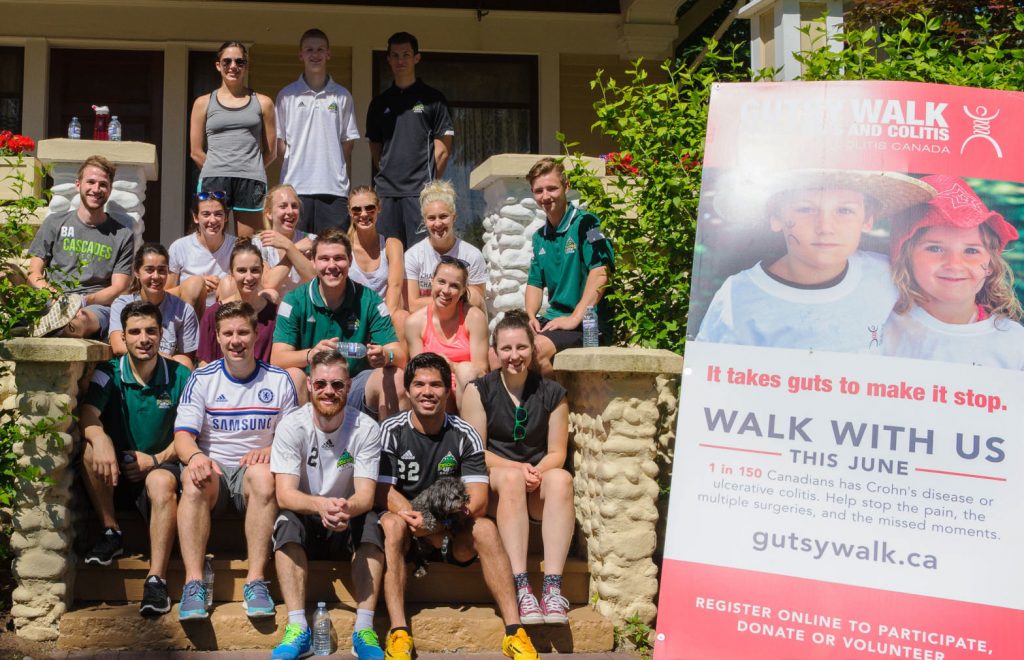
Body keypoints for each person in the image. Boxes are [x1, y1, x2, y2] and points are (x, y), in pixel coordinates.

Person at [375, 353, 539, 660]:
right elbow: (383, 489)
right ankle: (399, 633)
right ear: (408, 390)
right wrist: (416, 519)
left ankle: (514, 632)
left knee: (487, 529)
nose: (428, 392)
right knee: (392, 526)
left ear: (448, 390)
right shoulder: (391, 430)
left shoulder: (465, 434)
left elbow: (477, 499)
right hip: (407, 523)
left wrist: (435, 525)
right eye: (419, 384)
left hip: (448, 527)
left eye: (436, 385)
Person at [696, 168, 935, 354]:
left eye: (844, 211)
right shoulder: (739, 295)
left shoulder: (887, 275)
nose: (825, 228)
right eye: (805, 209)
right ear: (776, 218)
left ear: (867, 220)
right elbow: (717, 377)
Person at [173, 301, 298, 621]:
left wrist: (272, 451)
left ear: (257, 334)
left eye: (243, 332)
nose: (236, 340)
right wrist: (197, 456)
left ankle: (255, 581)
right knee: (192, 476)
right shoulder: (203, 378)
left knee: (263, 475)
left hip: (253, 475)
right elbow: (183, 437)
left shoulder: (279, 380)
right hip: (213, 471)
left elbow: (295, 438)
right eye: (228, 333)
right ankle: (193, 584)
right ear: (217, 337)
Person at [269, 351, 385, 660]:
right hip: (308, 514)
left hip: (347, 516)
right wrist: (321, 506)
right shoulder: (293, 425)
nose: (328, 391)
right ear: (309, 384)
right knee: (285, 521)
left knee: (372, 523)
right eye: (320, 383)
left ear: (348, 385)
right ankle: (297, 628)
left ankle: (363, 628)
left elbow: (366, 495)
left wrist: (343, 509)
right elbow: (285, 494)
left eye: (336, 384)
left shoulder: (366, 428)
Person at [79, 301, 191, 615]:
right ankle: (111, 530)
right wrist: (99, 437)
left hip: (160, 467)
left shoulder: (180, 375)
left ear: (161, 334)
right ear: (124, 337)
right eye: (135, 332)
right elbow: (87, 412)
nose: (144, 338)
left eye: (151, 331)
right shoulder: (109, 372)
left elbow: (191, 431)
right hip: (114, 471)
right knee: (89, 446)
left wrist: (154, 460)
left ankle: (156, 580)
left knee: (158, 480)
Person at [461, 310, 573, 626]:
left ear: (532, 349)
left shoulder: (552, 393)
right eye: (506, 349)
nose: (514, 356)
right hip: (497, 484)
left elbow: (557, 453)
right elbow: (475, 452)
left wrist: (535, 471)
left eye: (521, 348)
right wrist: (518, 468)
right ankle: (521, 586)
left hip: (534, 482)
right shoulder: (479, 390)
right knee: (510, 478)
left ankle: (552, 589)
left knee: (562, 479)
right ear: (495, 351)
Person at [883, 174, 1024, 368]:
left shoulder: (1014, 343)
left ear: (990, 265)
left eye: (972, 251)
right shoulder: (882, 328)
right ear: (905, 257)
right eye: (935, 248)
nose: (954, 264)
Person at [271, 228, 408, 419]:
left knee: (397, 377)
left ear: (350, 261)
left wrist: (385, 355)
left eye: (339, 258)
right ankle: (300, 441)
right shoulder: (294, 301)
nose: (332, 265)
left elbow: (400, 356)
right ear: (313, 261)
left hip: (354, 385)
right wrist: (311, 354)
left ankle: (389, 446)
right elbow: (277, 359)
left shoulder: (370, 300)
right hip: (312, 387)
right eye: (324, 259)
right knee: (293, 375)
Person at [523, 157, 615, 375]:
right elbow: (535, 283)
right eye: (538, 191)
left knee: (533, 353)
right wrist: (531, 317)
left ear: (566, 186)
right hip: (554, 321)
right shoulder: (539, 237)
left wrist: (575, 318)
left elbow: (601, 272)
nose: (545, 196)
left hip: (588, 326)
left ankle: (554, 408)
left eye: (552, 188)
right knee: (498, 354)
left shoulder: (588, 224)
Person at [27, 155, 133, 338]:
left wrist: (81, 301)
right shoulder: (54, 223)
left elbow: (119, 287)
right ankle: (49, 322)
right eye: (90, 182)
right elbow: (33, 272)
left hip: (94, 307)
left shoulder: (122, 235)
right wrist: (52, 295)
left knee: (80, 321)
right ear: (78, 184)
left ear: (109, 189)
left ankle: (56, 327)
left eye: (103, 184)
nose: (96, 189)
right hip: (53, 300)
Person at [366, 32, 454, 249]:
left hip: (419, 192)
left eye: (406, 54)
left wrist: (427, 183)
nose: (400, 60)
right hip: (386, 193)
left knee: (420, 255)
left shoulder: (433, 99)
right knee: (387, 255)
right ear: (388, 59)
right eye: (395, 55)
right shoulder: (379, 103)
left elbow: (442, 150)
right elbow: (376, 148)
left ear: (417, 58)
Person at [276, 28, 361, 234]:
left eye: (320, 49)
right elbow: (280, 141)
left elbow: (348, 141)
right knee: (295, 252)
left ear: (328, 54)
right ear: (301, 55)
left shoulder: (341, 96)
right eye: (309, 49)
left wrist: (332, 164)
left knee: (331, 254)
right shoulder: (286, 96)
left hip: (333, 189)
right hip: (295, 188)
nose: (315, 54)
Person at [190, 41, 277, 239]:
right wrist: (219, 167)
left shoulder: (263, 102)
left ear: (246, 66)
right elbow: (195, 151)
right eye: (227, 61)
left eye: (239, 61)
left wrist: (248, 167)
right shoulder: (203, 103)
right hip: (215, 178)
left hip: (250, 180)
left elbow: (271, 152)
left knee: (246, 243)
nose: (233, 66)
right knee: (210, 238)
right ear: (218, 65)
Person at [405, 256, 488, 409]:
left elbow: (481, 370)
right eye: (441, 282)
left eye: (454, 286)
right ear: (432, 281)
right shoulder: (415, 323)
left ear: (463, 290)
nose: (445, 291)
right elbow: (418, 372)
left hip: (467, 393)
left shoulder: (474, 317)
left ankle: (467, 429)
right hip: (434, 394)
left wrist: (451, 366)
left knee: (466, 370)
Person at [109, 243, 199, 370]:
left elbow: (186, 358)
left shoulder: (183, 310)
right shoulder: (122, 304)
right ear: (137, 272)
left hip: (164, 373)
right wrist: (162, 357)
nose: (156, 276)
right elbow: (118, 347)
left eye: (162, 270)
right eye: (149, 270)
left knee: (184, 362)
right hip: (133, 367)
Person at [404, 181, 486, 313]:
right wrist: (454, 297)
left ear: (454, 217)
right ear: (424, 221)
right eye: (431, 218)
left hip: (461, 321)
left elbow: (477, 298)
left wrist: (439, 300)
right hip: (426, 322)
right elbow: (412, 305)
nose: (438, 223)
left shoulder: (472, 255)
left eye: (443, 216)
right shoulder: (412, 256)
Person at [197, 240, 277, 366]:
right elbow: (204, 363)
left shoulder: (275, 315)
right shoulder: (212, 314)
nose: (249, 277)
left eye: (255, 270)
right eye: (242, 270)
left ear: (262, 270)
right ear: (231, 272)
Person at [168, 191, 235, 315]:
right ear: (196, 217)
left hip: (223, 313)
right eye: (206, 214)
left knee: (229, 285)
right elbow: (165, 293)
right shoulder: (179, 247)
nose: (212, 220)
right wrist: (195, 284)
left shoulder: (236, 247)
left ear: (225, 217)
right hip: (190, 312)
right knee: (195, 284)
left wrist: (223, 285)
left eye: (218, 214)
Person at [348, 186, 405, 325]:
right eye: (356, 209)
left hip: (384, 315)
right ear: (349, 211)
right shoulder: (344, 245)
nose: (363, 214)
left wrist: (384, 321)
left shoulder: (391, 244)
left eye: (369, 208)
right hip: (351, 316)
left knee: (402, 317)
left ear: (379, 208)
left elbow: (395, 286)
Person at [254, 184, 316, 296]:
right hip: (274, 307)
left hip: (304, 306)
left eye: (294, 206)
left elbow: (314, 279)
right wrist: (292, 248)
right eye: (283, 206)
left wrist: (289, 247)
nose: (290, 211)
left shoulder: (311, 240)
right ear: (269, 213)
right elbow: (268, 284)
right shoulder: (257, 244)